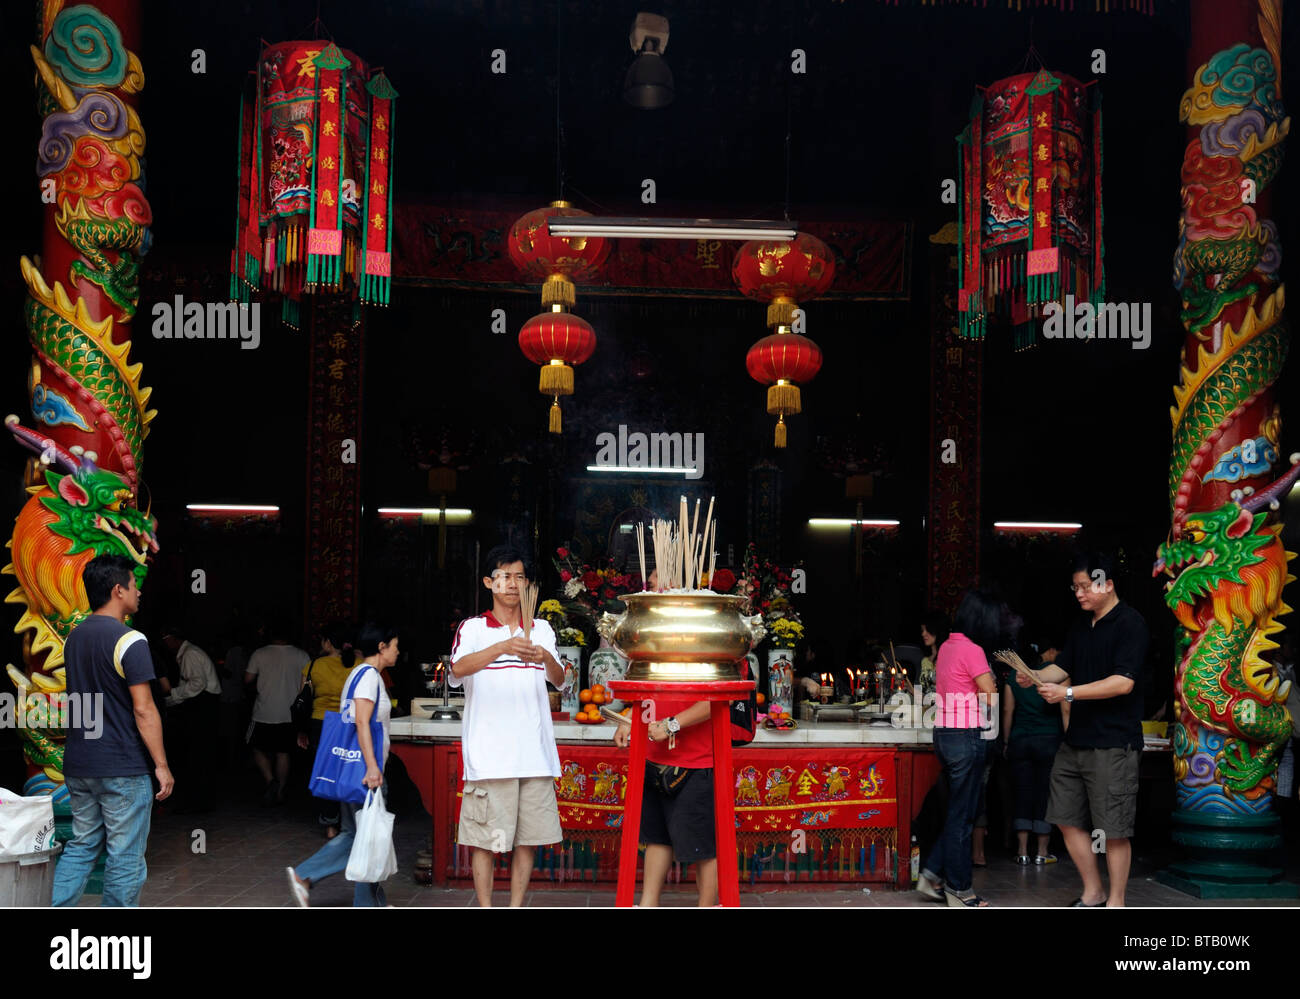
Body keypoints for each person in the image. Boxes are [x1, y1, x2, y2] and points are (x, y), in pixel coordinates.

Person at [1021, 551, 1149, 907]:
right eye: (1074, 587)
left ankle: (1116, 901)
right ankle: (1093, 892)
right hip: (1076, 740)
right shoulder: (1082, 626)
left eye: (1084, 587)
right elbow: (1059, 670)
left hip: (1113, 742)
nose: (1078, 594)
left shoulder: (1130, 624)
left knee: (1113, 829)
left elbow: (1123, 682)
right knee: (1063, 817)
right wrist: (1032, 676)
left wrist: (1069, 693)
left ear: (1107, 585)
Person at [52, 555, 174, 907]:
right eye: (135, 586)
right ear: (117, 590)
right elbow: (144, 708)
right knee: (126, 856)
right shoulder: (130, 640)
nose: (139, 593)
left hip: (79, 763)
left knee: (81, 846)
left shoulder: (73, 639)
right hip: (121, 765)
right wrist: (161, 766)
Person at [448, 544, 566, 907]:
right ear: (489, 582)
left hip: (535, 754)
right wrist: (502, 648)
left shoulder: (542, 629)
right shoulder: (473, 628)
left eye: (520, 577)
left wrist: (543, 655)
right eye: (505, 576)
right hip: (491, 756)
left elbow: (560, 680)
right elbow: (456, 670)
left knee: (528, 839)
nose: (513, 584)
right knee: (488, 840)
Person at [613, 566, 718, 906]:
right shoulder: (651, 635)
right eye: (651, 585)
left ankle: (707, 905)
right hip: (655, 758)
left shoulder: (708, 634)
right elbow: (646, 692)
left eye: (660, 585)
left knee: (702, 845)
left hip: (696, 760)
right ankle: (648, 903)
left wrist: (673, 724)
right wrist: (630, 718)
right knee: (656, 837)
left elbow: (715, 701)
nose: (653, 590)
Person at [286, 623, 400, 907]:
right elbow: (361, 721)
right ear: (382, 647)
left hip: (357, 768)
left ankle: (370, 901)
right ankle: (307, 876)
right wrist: (372, 767)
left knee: (359, 834)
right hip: (365, 771)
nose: (398, 652)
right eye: (395, 646)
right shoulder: (369, 677)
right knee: (369, 836)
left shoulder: (358, 675)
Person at [916, 589, 999, 908]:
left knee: (957, 813)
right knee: (963, 817)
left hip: (944, 735)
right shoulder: (974, 650)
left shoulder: (947, 646)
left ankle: (932, 873)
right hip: (966, 737)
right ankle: (960, 889)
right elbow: (990, 695)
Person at [1002, 637, 1065, 865]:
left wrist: (1007, 741)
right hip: (1048, 740)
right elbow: (1064, 708)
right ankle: (1041, 852)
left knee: (1022, 793)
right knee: (1044, 794)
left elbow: (1008, 711)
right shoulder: (1053, 676)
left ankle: (1021, 852)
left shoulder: (1013, 677)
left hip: (1020, 741)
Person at [296, 622, 357, 837]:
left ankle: (331, 825)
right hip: (351, 723)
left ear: (329, 642)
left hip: (321, 724)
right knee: (350, 770)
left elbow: (302, 699)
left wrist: (301, 731)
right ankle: (350, 822)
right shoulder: (359, 664)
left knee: (327, 773)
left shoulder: (314, 666)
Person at [245, 622, 310, 806]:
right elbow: (308, 685)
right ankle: (280, 792)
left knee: (256, 748)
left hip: (263, 711)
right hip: (289, 714)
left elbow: (247, 679)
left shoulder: (259, 654)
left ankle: (270, 780)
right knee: (284, 752)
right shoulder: (301, 655)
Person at [161, 628, 221, 812]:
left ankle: (199, 802)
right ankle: (198, 800)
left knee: (198, 754)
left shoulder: (190, 654)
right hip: (201, 706)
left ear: (173, 640)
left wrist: (171, 695)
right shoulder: (187, 653)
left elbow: (197, 684)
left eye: (167, 640)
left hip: (203, 706)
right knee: (198, 754)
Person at [920, 612, 950, 689]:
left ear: (938, 631)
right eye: (922, 630)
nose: (923, 634)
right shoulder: (925, 661)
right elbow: (921, 696)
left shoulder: (949, 659)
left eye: (927, 630)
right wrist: (908, 687)